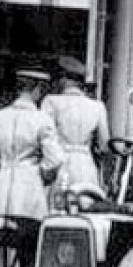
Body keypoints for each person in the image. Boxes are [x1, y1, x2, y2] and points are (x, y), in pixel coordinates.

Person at [0, 69, 64, 220]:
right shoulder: (42, 120)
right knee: (27, 232)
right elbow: (55, 159)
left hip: (2, 182)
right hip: (29, 183)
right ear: (37, 89)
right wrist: (41, 174)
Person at [41, 56, 110, 197]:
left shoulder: (51, 102)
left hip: (59, 166)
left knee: (57, 212)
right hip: (87, 167)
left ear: (64, 79)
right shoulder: (97, 107)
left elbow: (43, 138)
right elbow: (104, 146)